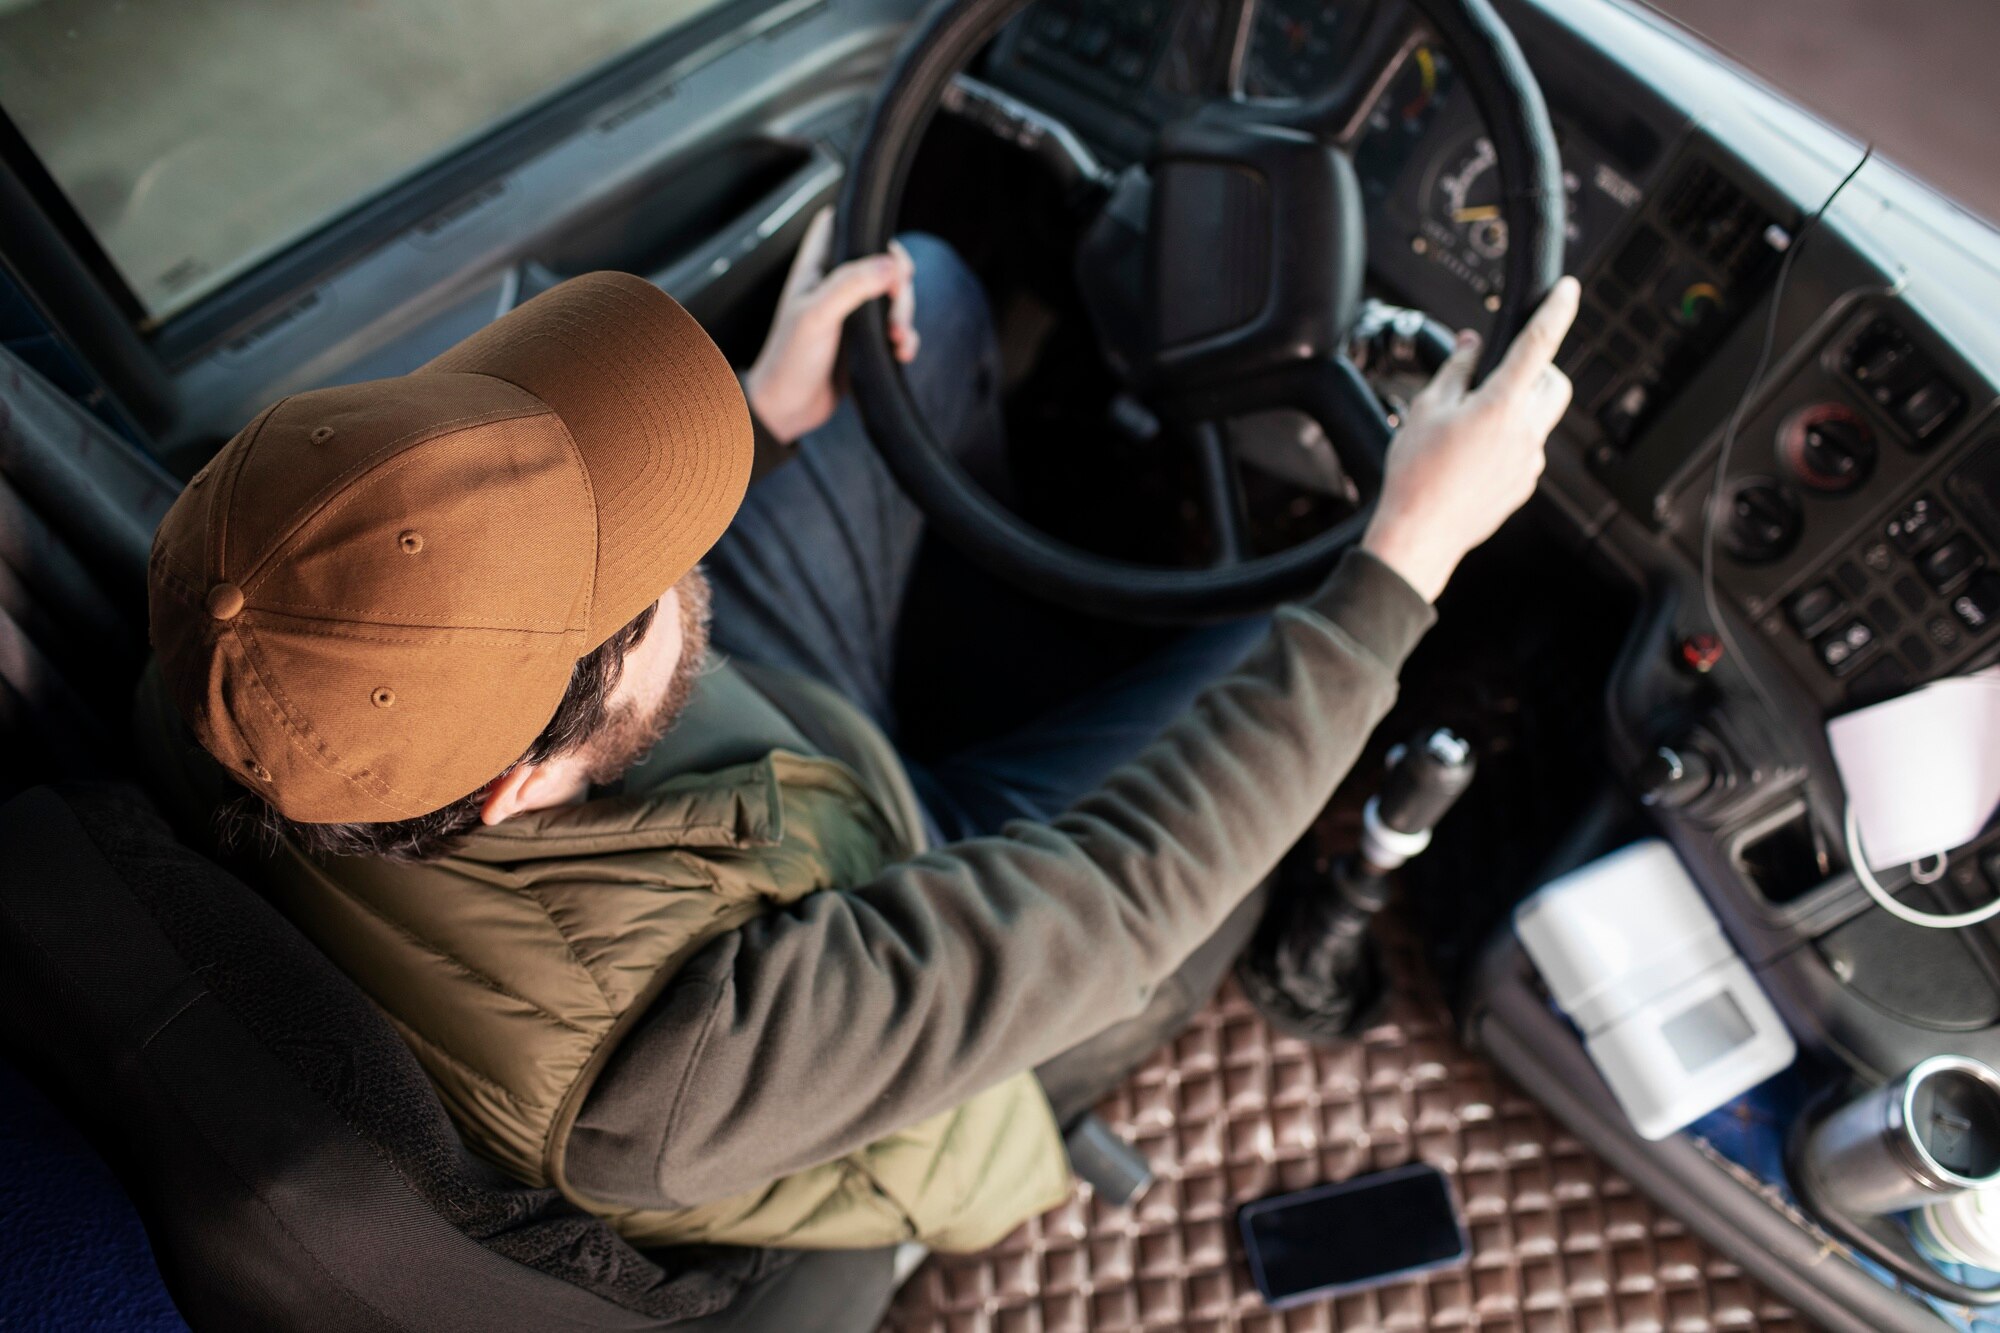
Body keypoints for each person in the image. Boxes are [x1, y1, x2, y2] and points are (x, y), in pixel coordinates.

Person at [137, 207, 1576, 1287]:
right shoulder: (659, 1079)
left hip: (759, 792)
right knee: (1296, 690)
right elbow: (1124, 886)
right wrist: (1407, 546)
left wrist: (755, 425)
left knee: (923, 307)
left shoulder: (242, 662)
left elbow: (512, 635)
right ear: (519, 779)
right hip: (920, 1000)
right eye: (645, 579)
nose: (689, 555)